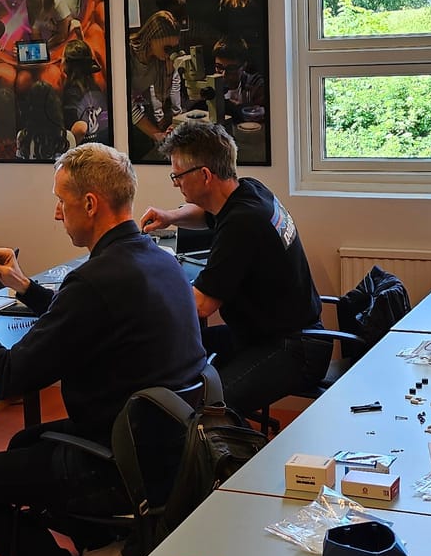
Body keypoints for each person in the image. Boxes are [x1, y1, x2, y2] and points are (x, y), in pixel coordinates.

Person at [0, 144, 207, 556]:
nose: (56, 213)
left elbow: (9, 377)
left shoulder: (93, 280)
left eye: (61, 200)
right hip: (169, 449)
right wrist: (21, 284)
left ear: (91, 204)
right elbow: (86, 316)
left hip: (117, 463)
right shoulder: (157, 257)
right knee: (24, 445)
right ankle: (103, 545)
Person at [138, 119, 321, 418]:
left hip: (291, 349)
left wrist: (153, 282)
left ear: (205, 175)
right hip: (267, 334)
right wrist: (170, 216)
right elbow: (207, 214)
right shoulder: (249, 191)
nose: (176, 183)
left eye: (177, 176)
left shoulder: (241, 224)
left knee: (202, 411)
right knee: (171, 355)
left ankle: (225, 459)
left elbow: (201, 305)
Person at [127, 10, 184, 151]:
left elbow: (162, 95)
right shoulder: (128, 53)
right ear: (153, 37)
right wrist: (157, 134)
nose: (170, 52)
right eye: (168, 48)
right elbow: (126, 103)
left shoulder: (158, 60)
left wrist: (170, 70)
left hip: (139, 109)